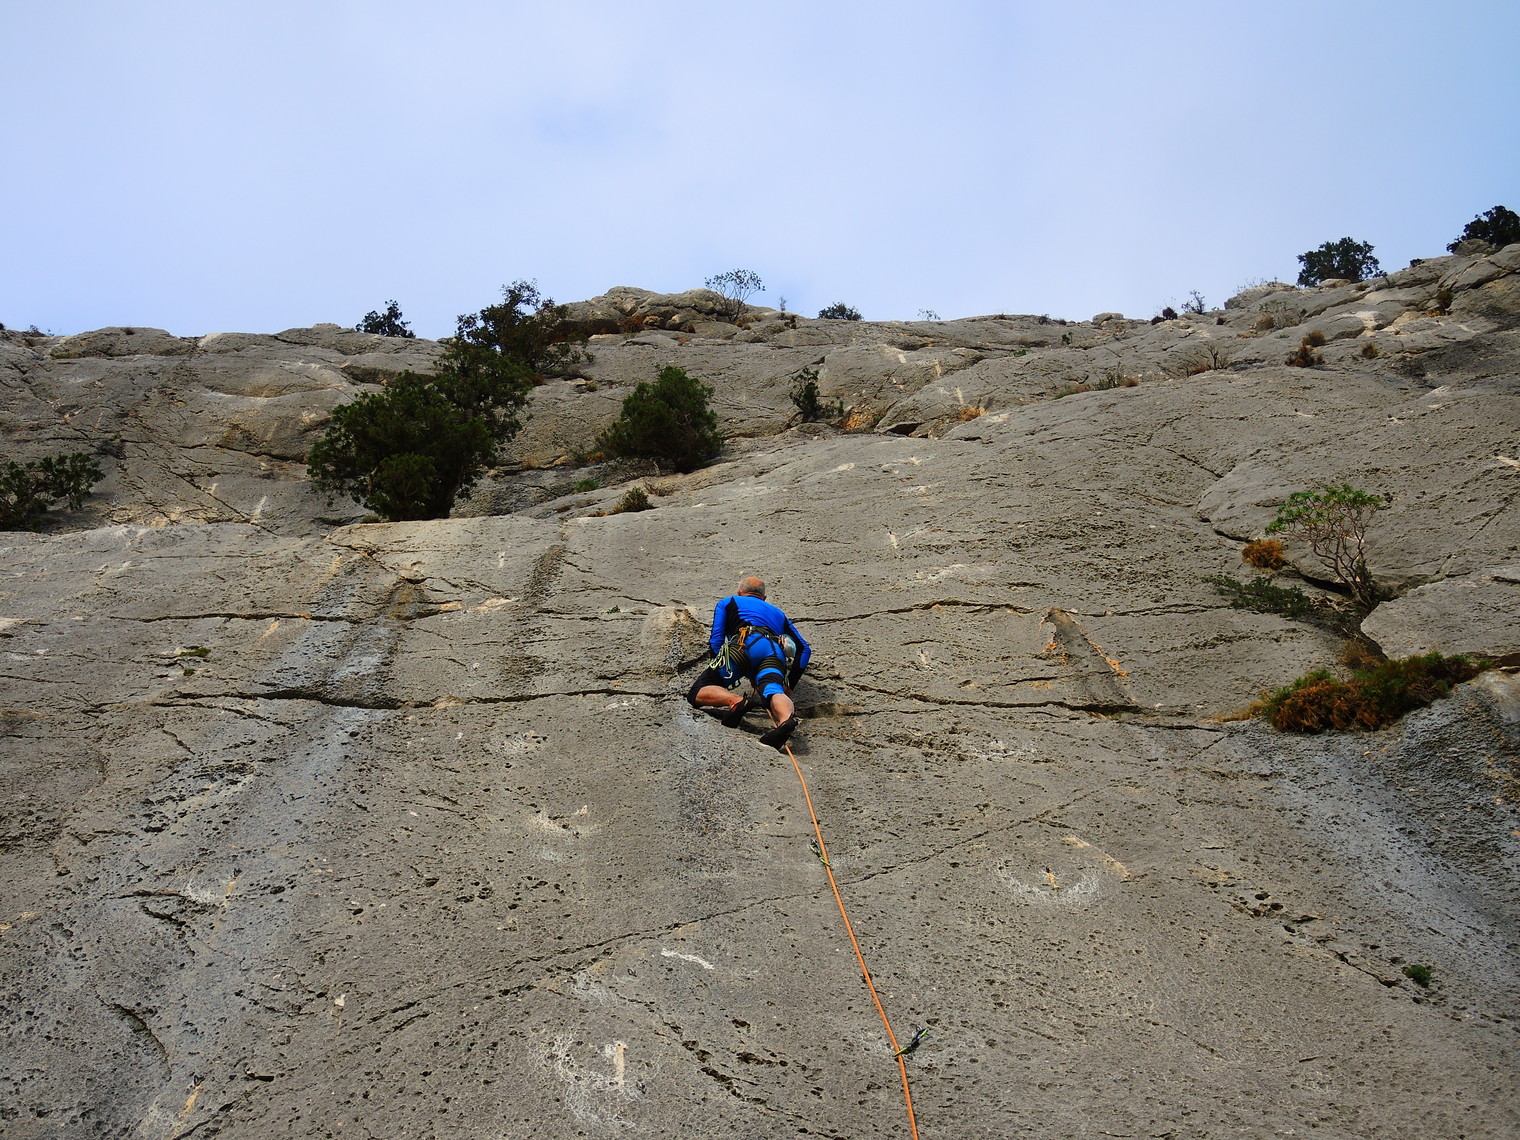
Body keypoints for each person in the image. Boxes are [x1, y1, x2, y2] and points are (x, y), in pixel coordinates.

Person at [687, 576, 810, 748]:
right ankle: (785, 721)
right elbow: (804, 649)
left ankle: (736, 701)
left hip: (743, 645)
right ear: (764, 598)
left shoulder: (728, 602)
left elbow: (716, 639)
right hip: (773, 652)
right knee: (774, 691)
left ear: (740, 592)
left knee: (697, 692)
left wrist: (716, 666)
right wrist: (789, 685)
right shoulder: (778, 613)